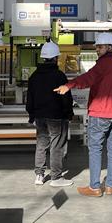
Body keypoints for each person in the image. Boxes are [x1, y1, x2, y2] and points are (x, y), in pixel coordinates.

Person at [54, 33, 112, 197]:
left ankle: (95, 187)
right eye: (97, 47)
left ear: (110, 48)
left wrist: (69, 85)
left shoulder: (103, 64)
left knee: (95, 149)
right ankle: (110, 186)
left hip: (100, 113)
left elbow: (88, 78)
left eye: (100, 47)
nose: (97, 49)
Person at [26, 41, 74, 187]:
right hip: (56, 116)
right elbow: (66, 97)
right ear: (55, 58)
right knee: (56, 146)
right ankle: (56, 177)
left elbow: (30, 98)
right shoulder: (59, 76)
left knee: (41, 144)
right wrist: (69, 113)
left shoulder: (34, 76)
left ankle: (39, 175)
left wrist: (32, 115)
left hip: (40, 116)